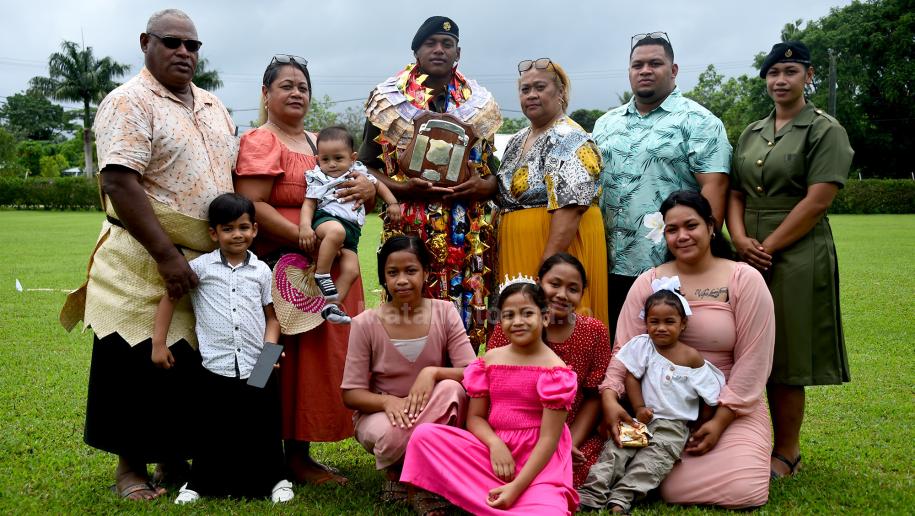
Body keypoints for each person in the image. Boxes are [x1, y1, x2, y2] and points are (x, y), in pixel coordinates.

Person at [59, 9, 237, 500]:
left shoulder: (213, 105)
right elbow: (118, 179)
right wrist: (166, 256)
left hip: (203, 259)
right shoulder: (129, 101)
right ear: (145, 43)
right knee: (132, 356)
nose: (184, 52)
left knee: (185, 362)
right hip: (141, 255)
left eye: (192, 45)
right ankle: (130, 469)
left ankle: (173, 462)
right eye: (172, 42)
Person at [234, 55, 376, 485]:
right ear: (265, 94)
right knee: (271, 356)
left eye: (303, 87)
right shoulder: (261, 140)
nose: (297, 93)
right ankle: (256, 446)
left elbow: (356, 188)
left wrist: (369, 186)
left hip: (326, 268)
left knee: (315, 362)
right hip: (281, 267)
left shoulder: (322, 142)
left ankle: (299, 453)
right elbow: (252, 204)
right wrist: (303, 237)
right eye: (286, 86)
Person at [726, 41, 853, 479]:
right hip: (747, 248)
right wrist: (739, 237)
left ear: (808, 76)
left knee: (785, 354)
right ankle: (744, 443)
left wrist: (768, 246)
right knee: (739, 346)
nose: (781, 80)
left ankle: (788, 452)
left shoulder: (824, 129)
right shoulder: (751, 131)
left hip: (797, 251)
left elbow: (819, 200)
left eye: (790, 72)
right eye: (773, 73)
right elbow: (736, 193)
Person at [601, 190, 775, 509]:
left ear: (710, 226)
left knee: (742, 490)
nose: (682, 236)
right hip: (658, 410)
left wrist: (720, 420)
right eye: (671, 229)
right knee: (672, 490)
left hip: (728, 406)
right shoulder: (648, 282)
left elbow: (754, 359)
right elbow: (624, 349)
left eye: (691, 225)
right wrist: (610, 398)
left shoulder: (744, 278)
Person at [358, 15, 502, 349]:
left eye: (446, 44)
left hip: (466, 232)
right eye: (430, 43)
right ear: (416, 51)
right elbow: (365, 166)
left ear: (458, 52)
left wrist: (483, 187)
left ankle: (460, 389)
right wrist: (402, 189)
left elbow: (494, 175)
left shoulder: (480, 105)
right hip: (408, 225)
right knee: (409, 313)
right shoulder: (387, 101)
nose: (439, 50)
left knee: (465, 316)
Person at [149, 193, 292, 504]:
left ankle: (277, 480)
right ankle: (198, 483)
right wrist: (158, 344)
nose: (237, 235)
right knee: (212, 427)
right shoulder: (199, 268)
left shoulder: (261, 271)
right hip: (216, 365)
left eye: (243, 227)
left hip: (258, 364)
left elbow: (272, 318)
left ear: (255, 229)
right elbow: (170, 298)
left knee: (262, 424)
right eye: (228, 229)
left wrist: (268, 357)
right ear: (214, 233)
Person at [593, 32, 731, 338]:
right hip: (608, 264)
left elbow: (714, 187)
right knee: (619, 354)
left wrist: (698, 259)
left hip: (669, 266)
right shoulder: (606, 123)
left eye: (655, 63)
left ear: (673, 70)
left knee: (670, 356)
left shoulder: (699, 121)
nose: (645, 70)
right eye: (637, 64)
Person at [402, 280, 579, 515]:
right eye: (509, 315)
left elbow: (549, 440)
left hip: (538, 465)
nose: (517, 322)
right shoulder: (490, 360)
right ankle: (485, 493)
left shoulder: (556, 372)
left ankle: (509, 497)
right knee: (425, 436)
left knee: (547, 511)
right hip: (493, 454)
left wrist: (516, 487)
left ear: (545, 318)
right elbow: (475, 418)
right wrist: (495, 444)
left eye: (527, 313)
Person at [341, 235, 476, 507]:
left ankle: (406, 476)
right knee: (390, 436)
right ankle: (421, 476)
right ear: (383, 277)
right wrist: (388, 401)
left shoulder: (445, 311)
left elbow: (473, 372)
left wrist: (433, 373)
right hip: (386, 415)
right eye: (393, 272)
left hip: (435, 404)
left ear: (426, 273)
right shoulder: (364, 323)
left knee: (451, 390)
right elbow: (351, 394)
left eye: (411, 271)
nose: (402, 280)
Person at [578, 289, 725, 513]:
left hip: (673, 426)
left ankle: (622, 497)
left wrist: (701, 423)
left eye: (669, 321)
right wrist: (638, 407)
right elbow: (632, 377)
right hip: (641, 418)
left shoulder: (691, 357)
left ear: (683, 324)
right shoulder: (643, 346)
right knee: (616, 451)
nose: (661, 327)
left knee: (651, 463)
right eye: (654, 321)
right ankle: (592, 492)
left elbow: (709, 395)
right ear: (645, 323)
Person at [495, 59, 608, 325]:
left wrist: (545, 273)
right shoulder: (517, 139)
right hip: (518, 250)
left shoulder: (571, 137)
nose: (531, 95)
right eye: (525, 89)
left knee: (556, 327)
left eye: (540, 87)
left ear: (561, 93)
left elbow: (571, 207)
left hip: (555, 254)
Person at [488, 253, 610, 487]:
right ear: (538, 283)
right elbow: (490, 377)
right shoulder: (515, 324)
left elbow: (594, 395)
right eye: (554, 284)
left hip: (570, 430)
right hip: (512, 431)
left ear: (582, 293)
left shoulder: (594, 331)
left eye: (572, 289)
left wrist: (568, 441)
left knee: (576, 470)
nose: (562, 295)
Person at [299, 126, 402, 324]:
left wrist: (392, 203)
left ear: (352, 157)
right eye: (325, 159)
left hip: (352, 231)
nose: (331, 164)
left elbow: (378, 185)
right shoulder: (319, 177)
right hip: (327, 220)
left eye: (338, 158)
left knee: (352, 270)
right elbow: (309, 204)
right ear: (318, 158)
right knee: (335, 233)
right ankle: (322, 274)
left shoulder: (359, 172)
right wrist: (305, 226)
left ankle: (332, 306)